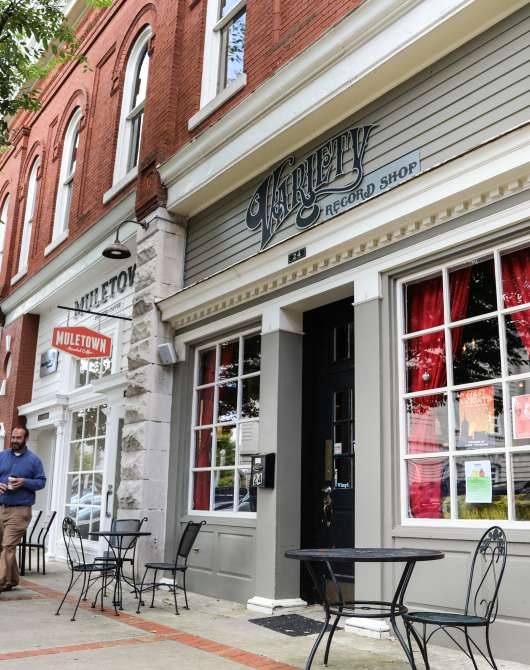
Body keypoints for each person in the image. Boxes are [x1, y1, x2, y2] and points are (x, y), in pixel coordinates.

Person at [0, 426, 46, 592]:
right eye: (13, 437)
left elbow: (41, 482)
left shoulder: (34, 460)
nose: (14, 441)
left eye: (18, 438)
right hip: (1, 507)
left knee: (8, 546)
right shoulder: (2, 455)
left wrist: (24, 482)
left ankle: (1, 581)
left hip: (20, 510)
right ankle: (11, 579)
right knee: (3, 546)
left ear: (25, 439)